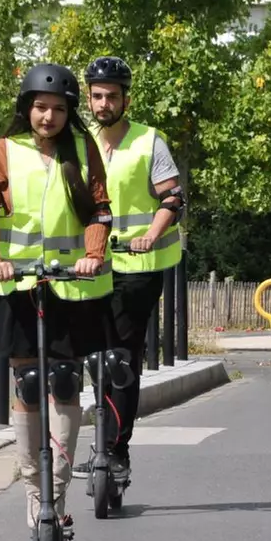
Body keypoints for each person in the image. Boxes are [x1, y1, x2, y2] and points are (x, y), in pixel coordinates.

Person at [0, 63, 114, 541]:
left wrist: (95, 253)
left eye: (57, 108)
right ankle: (35, 495)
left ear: (69, 112)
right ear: (26, 109)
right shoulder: (3, 152)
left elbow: (99, 210)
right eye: (40, 107)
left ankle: (58, 493)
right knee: (30, 385)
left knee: (68, 382)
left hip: (71, 288)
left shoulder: (82, 150)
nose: (48, 116)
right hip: (21, 288)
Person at [84, 55, 184, 482]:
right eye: (97, 96)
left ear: (126, 99)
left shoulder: (149, 142)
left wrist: (151, 234)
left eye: (111, 97)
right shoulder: (81, 141)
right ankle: (100, 435)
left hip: (138, 265)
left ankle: (116, 450)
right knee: (91, 356)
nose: (104, 104)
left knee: (122, 358)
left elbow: (172, 199)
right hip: (91, 265)